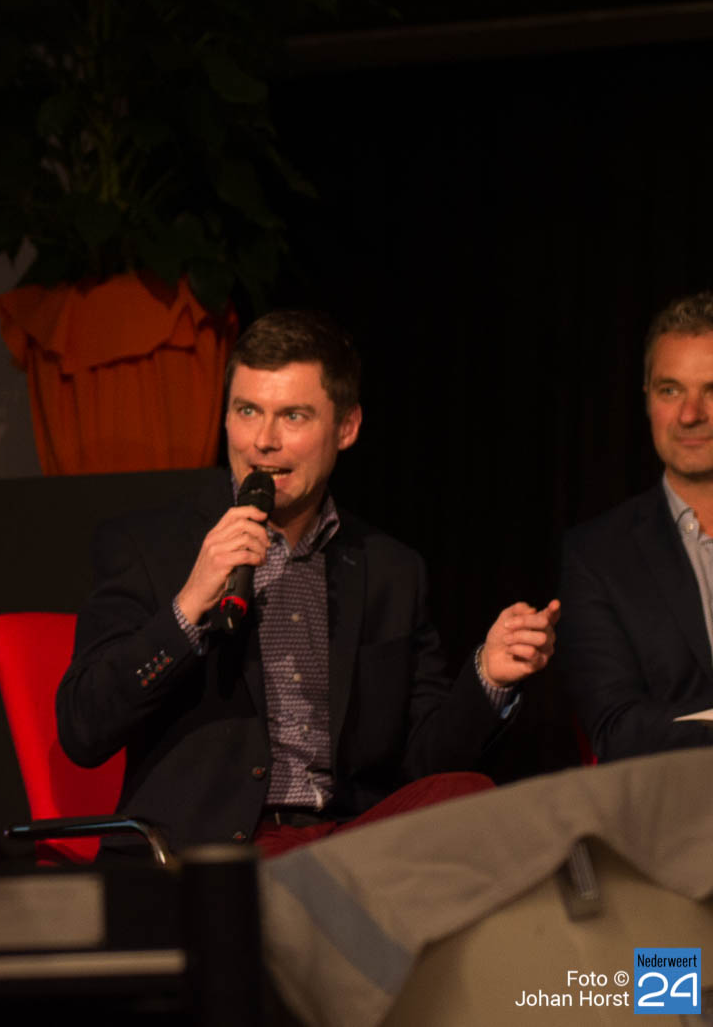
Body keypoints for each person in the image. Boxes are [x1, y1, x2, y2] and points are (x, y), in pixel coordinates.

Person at [57, 310, 559, 854]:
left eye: (293, 416)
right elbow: (83, 729)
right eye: (247, 411)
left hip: (349, 843)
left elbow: (425, 763)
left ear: (347, 427)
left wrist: (487, 677)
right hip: (215, 855)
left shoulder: (390, 569)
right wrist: (188, 607)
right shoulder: (148, 545)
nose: (263, 441)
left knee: (470, 796)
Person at [559, 294, 713, 760]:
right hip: (675, 800)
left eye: (712, 390)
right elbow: (617, 731)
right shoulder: (597, 556)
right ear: (647, 398)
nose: (690, 414)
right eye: (670, 390)